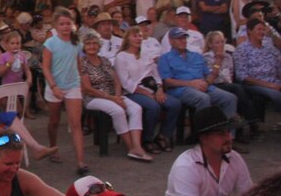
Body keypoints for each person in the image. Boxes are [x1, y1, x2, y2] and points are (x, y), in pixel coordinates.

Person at [79, 33, 152, 162]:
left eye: (95, 43)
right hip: (93, 98)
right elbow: (87, 89)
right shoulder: (82, 63)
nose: (92, 46)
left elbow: (116, 81)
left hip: (113, 95)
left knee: (136, 108)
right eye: (88, 44)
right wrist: (113, 99)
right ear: (84, 47)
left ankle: (137, 145)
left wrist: (118, 96)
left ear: (99, 45)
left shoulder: (105, 60)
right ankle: (131, 148)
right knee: (117, 111)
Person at [163, 106, 252, 196]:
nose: (229, 138)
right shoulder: (186, 166)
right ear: (203, 138)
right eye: (221, 134)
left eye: (228, 132)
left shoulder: (235, 159)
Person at [114, 26, 180, 154]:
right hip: (134, 91)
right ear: (127, 38)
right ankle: (147, 139)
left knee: (174, 104)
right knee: (153, 106)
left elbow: (155, 73)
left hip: (152, 87)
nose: (138, 38)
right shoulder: (121, 57)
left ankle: (163, 135)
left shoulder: (145, 54)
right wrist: (146, 93)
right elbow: (125, 82)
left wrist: (159, 88)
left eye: (139, 35)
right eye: (135, 36)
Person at [158, 27, 237, 122]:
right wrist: (190, 84)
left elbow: (209, 75)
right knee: (203, 98)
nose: (183, 41)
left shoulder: (196, 56)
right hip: (181, 89)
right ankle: (204, 134)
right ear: (171, 41)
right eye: (179, 39)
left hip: (203, 87)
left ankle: (225, 134)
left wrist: (206, 83)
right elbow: (167, 82)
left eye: (184, 38)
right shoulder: (165, 58)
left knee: (230, 98)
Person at [42, 7, 87, 174]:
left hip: (72, 86)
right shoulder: (50, 43)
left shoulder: (77, 43)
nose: (65, 27)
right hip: (54, 86)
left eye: (68, 23)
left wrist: (81, 81)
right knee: (54, 121)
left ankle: (81, 162)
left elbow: (78, 64)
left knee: (76, 124)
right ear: (56, 25)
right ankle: (53, 147)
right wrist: (53, 86)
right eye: (62, 24)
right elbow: (45, 67)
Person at [203, 31, 261, 143]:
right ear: (210, 44)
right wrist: (218, 61)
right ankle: (252, 121)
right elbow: (210, 78)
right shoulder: (206, 58)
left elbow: (229, 75)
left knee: (240, 91)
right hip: (214, 85)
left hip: (228, 85)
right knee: (237, 89)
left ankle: (239, 131)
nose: (220, 45)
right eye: (217, 42)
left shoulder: (228, 57)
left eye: (222, 42)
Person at [233, 18, 281, 112]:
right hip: (255, 84)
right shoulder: (242, 50)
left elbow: (278, 67)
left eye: (263, 29)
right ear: (249, 31)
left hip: (275, 82)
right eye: (259, 29)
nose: (262, 32)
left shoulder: (269, 48)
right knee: (276, 95)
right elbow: (242, 76)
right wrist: (269, 85)